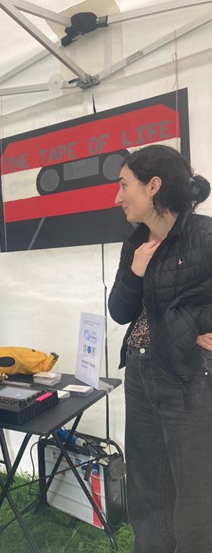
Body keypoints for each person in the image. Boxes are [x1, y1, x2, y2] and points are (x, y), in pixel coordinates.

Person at [108, 144, 212, 553]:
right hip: (140, 371)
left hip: (190, 376)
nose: (117, 197)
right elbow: (119, 311)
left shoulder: (204, 235)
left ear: (154, 185)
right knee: (147, 481)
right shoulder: (134, 242)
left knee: (196, 485)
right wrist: (135, 271)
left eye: (123, 185)